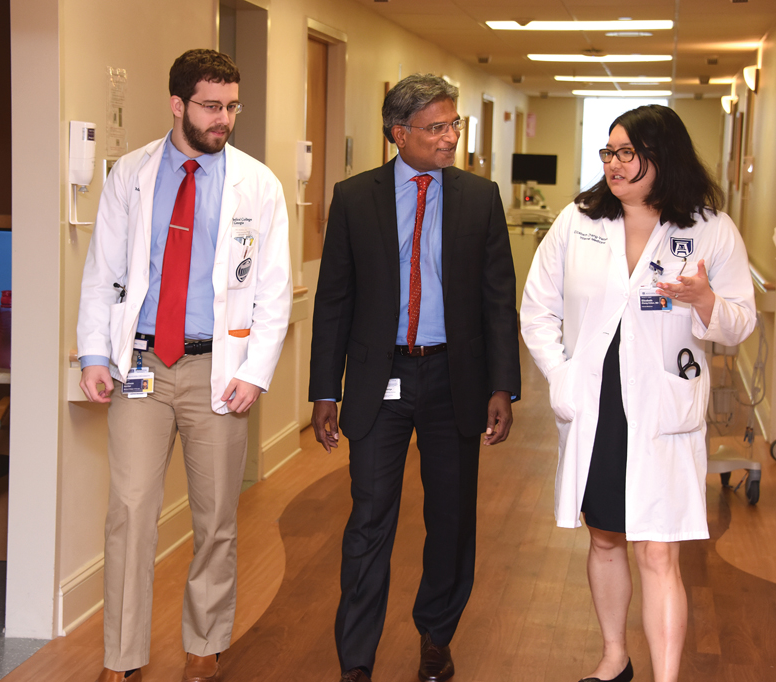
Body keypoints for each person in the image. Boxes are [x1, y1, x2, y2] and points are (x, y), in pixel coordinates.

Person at [520, 104, 756, 682]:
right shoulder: (577, 221)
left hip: (662, 409)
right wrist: (565, 376)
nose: (614, 164)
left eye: (627, 152)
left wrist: (704, 299)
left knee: (658, 550)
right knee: (605, 540)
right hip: (597, 408)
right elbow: (536, 310)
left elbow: (740, 323)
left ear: (661, 156)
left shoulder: (709, 228)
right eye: (609, 152)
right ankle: (613, 658)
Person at [77, 49, 291, 682]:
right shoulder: (132, 174)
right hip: (140, 365)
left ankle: (204, 647)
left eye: (231, 106)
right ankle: (122, 659)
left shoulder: (258, 183)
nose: (223, 118)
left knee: (216, 517)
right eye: (210, 106)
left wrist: (253, 372)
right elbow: (103, 270)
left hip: (216, 369)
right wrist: (94, 352)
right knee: (131, 512)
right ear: (177, 104)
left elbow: (274, 290)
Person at [309, 73, 521, 682]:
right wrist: (327, 388)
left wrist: (502, 385)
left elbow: (495, 297)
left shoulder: (480, 198)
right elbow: (334, 300)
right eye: (437, 128)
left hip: (455, 377)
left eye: (454, 125)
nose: (451, 137)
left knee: (451, 517)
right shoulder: (355, 198)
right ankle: (356, 658)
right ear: (398, 134)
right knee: (370, 519)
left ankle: (436, 634)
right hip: (381, 381)